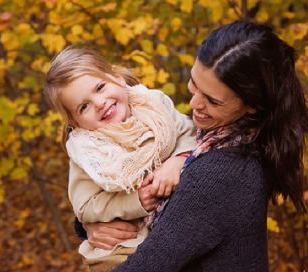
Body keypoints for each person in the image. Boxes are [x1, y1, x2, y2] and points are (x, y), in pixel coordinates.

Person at [75, 20, 308, 271]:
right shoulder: (213, 142)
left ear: (252, 105)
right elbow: (181, 227)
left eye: (212, 99)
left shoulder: (221, 171)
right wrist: (90, 225)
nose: (194, 103)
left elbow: (147, 264)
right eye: (194, 84)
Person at [43, 46, 196, 271]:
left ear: (117, 77)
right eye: (84, 106)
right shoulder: (88, 150)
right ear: (75, 122)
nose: (100, 103)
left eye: (100, 87)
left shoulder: (155, 104)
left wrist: (178, 160)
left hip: (173, 235)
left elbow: (190, 135)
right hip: (122, 244)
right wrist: (134, 201)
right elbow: (85, 206)